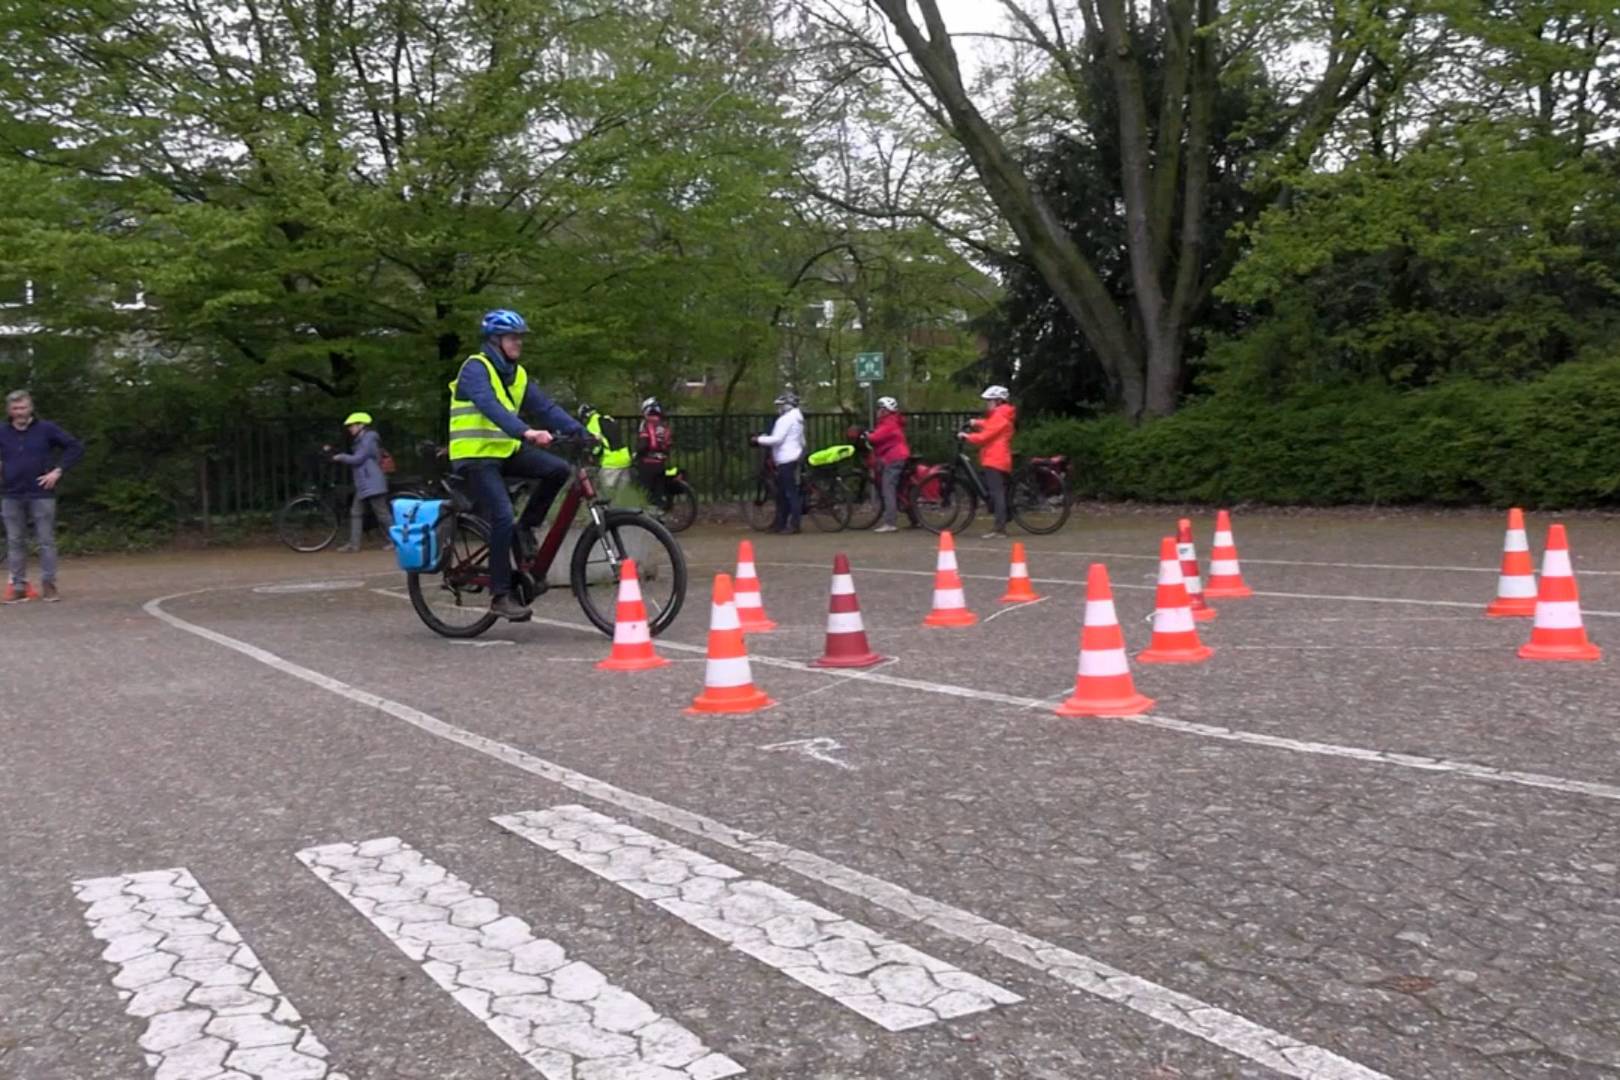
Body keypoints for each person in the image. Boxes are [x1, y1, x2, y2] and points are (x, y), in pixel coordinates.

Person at [448, 309, 589, 622]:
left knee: (557, 470)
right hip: (475, 457)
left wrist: (581, 432)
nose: (518, 343)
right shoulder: (475, 368)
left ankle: (526, 528)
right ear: (494, 340)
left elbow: (546, 408)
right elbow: (490, 406)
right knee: (502, 515)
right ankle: (500, 595)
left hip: (504, 452)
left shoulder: (517, 374)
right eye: (512, 337)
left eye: (520, 337)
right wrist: (525, 432)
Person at [1, 390, 83, 603]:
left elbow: (75, 447)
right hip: (11, 493)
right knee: (15, 541)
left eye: (23, 407)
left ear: (31, 408)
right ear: (9, 410)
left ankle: (49, 584)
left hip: (41, 492)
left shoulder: (47, 429)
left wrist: (57, 471)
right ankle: (18, 586)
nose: (20, 412)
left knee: (46, 540)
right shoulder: (2, 431)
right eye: (15, 408)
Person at [331, 412, 392, 553]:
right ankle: (354, 545)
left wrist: (341, 457)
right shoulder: (361, 439)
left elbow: (358, 459)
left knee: (382, 514)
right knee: (356, 512)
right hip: (365, 483)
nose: (350, 428)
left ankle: (398, 540)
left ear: (361, 425)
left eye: (352, 426)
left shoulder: (368, 439)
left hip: (372, 482)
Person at [962, 384, 1016, 539]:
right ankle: (1002, 521)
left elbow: (984, 437)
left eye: (989, 401)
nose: (987, 404)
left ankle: (1000, 529)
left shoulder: (999, 416)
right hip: (996, 458)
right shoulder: (1001, 414)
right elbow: (990, 425)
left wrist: (967, 436)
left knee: (997, 493)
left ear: (998, 401)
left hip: (995, 459)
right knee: (997, 492)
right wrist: (975, 422)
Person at [752, 391, 805, 534]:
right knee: (782, 493)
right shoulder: (798, 419)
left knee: (789, 493)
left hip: (786, 458)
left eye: (781, 405)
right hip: (794, 456)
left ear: (787, 406)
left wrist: (759, 439)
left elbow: (777, 439)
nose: (779, 409)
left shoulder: (785, 419)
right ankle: (780, 523)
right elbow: (802, 441)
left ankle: (793, 525)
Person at [866, 396, 910, 533]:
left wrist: (866, 435)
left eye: (880, 409)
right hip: (899, 455)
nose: (877, 411)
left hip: (893, 458)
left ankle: (890, 523)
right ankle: (915, 519)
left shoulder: (888, 423)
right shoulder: (892, 421)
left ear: (885, 410)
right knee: (902, 490)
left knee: (888, 489)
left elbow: (875, 437)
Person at [578, 403, 632, 496]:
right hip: (625, 459)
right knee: (624, 496)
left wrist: (591, 455)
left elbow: (597, 447)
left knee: (607, 496)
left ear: (585, 416)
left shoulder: (592, 426)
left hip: (610, 463)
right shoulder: (608, 419)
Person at [635, 398, 674, 510]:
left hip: (648, 462)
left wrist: (637, 453)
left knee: (644, 491)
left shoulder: (646, 423)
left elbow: (643, 444)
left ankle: (646, 513)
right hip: (661, 462)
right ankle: (659, 511)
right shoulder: (664, 424)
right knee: (658, 491)